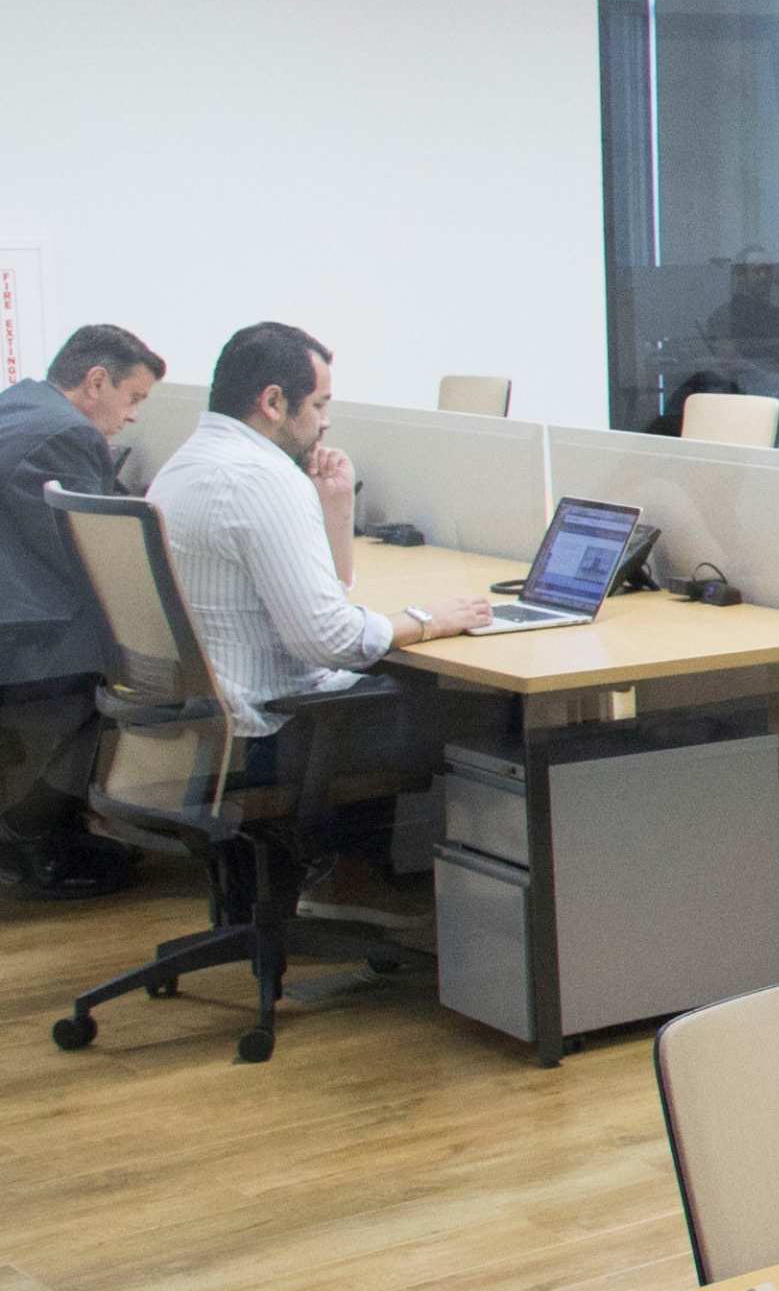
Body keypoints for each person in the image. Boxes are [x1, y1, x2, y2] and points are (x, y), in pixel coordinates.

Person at [143, 323, 494, 925]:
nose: (326, 421)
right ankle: (358, 884)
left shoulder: (187, 464)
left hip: (200, 729)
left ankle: (333, 881)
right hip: (271, 733)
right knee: (488, 710)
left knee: (397, 686)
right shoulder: (262, 479)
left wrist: (334, 510)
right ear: (273, 402)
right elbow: (331, 640)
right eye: (320, 404)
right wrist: (429, 619)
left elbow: (309, 599)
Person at [0, 324, 167, 896]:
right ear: (97, 381)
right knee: (120, 660)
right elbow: (86, 555)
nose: (134, 416)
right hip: (20, 636)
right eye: (133, 398)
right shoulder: (69, 433)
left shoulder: (20, 402)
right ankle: (35, 840)